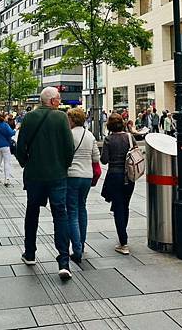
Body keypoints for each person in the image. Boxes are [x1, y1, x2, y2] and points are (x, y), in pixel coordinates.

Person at [16, 87, 74, 280]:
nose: (60, 101)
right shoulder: (61, 118)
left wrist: (27, 163)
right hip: (57, 175)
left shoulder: (29, 118)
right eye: (58, 99)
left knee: (32, 212)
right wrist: (62, 167)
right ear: (52, 101)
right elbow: (69, 148)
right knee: (60, 214)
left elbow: (20, 147)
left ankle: (30, 253)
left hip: (34, 175)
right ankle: (64, 261)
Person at [66, 108, 100, 265]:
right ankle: (82, 243)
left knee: (72, 212)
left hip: (72, 176)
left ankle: (77, 249)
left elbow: (63, 155)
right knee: (82, 208)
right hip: (87, 176)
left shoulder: (69, 135)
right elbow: (96, 158)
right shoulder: (90, 135)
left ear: (72, 120)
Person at [100, 113, 135, 255]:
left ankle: (123, 241)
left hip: (115, 176)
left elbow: (104, 160)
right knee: (125, 205)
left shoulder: (109, 139)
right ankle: (123, 235)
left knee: (118, 207)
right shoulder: (129, 137)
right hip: (130, 176)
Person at [0, 111, 16, 186]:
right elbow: (11, 133)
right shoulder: (5, 125)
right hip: (5, 145)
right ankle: (7, 179)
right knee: (7, 162)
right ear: (4, 118)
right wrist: (15, 129)